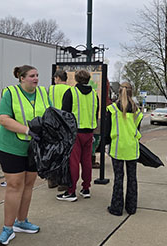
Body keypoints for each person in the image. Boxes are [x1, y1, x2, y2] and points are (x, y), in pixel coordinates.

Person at [0, 65, 49, 246]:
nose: (36, 78)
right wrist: (28, 130)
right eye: (32, 76)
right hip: (11, 146)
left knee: (28, 184)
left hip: (33, 148)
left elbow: (49, 115)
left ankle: (22, 221)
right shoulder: (10, 93)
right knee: (15, 185)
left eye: (37, 75)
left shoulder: (42, 93)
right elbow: (4, 119)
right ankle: (7, 228)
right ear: (21, 78)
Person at [57, 70, 99, 202]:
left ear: (75, 79)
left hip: (74, 132)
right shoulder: (94, 95)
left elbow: (65, 113)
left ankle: (71, 191)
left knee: (73, 162)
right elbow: (96, 112)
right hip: (89, 131)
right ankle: (86, 188)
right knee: (86, 161)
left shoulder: (71, 93)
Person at [104, 82, 143, 216]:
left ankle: (116, 207)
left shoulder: (112, 109)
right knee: (132, 178)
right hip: (132, 147)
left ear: (119, 92)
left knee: (118, 178)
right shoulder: (137, 110)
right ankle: (131, 207)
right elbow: (138, 130)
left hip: (117, 147)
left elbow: (107, 131)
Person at [47, 69, 71, 189]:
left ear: (57, 78)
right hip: (64, 124)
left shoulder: (51, 89)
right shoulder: (70, 90)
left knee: (52, 152)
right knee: (64, 153)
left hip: (52, 123)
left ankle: (52, 179)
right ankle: (63, 181)